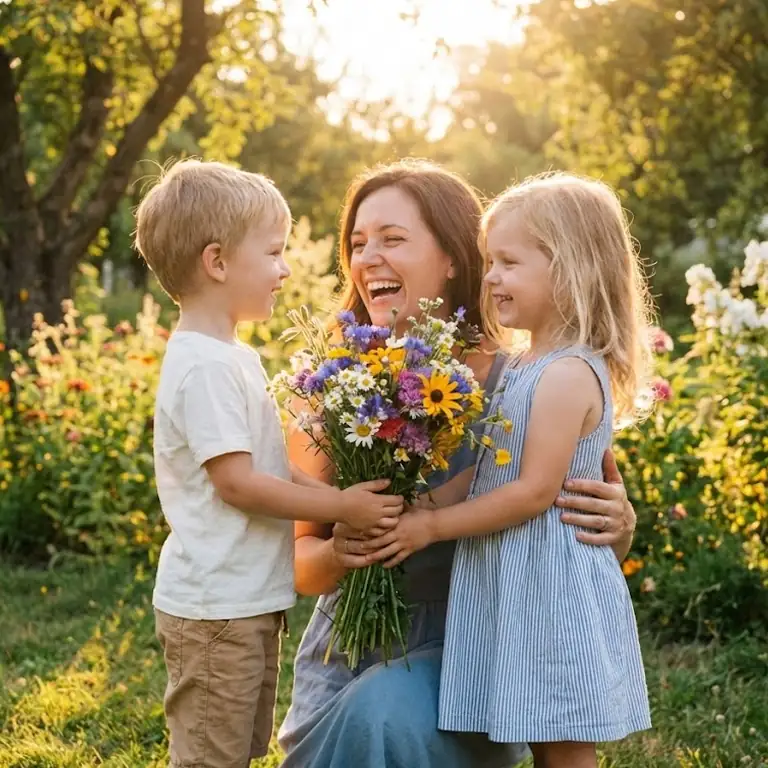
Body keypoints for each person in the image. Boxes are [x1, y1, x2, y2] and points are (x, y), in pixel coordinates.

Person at [278, 160, 638, 768]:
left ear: (453, 257)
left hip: (476, 648)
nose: (368, 259)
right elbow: (299, 568)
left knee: (386, 712)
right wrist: (344, 552)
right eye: (358, 244)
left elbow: (565, 507)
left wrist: (619, 526)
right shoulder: (330, 391)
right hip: (352, 649)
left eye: (393, 239)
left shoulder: (524, 378)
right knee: (372, 706)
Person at [376, 173, 653, 768]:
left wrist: (432, 527)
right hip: (516, 574)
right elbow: (490, 464)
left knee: (562, 738)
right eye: (488, 260)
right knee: (534, 722)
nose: (492, 277)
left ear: (569, 268)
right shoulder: (529, 364)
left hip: (550, 582)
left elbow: (531, 492)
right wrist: (433, 500)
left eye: (508, 262)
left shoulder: (566, 373)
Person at [134, 159, 403, 768]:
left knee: (240, 746)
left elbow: (272, 466)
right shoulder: (202, 366)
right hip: (215, 610)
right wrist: (338, 506)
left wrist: (345, 501)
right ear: (218, 262)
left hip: (247, 601)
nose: (285, 269)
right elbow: (238, 484)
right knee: (210, 753)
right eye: (274, 252)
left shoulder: (233, 356)